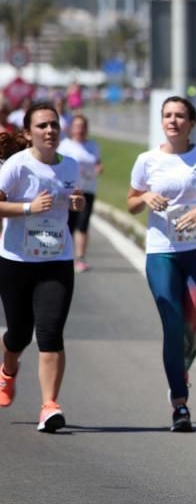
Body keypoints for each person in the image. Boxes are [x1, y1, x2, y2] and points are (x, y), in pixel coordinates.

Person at [127, 97, 196, 432]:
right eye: (167, 115)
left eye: (180, 115)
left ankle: (179, 368)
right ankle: (180, 403)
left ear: (192, 122)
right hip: (161, 251)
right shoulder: (147, 160)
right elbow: (131, 203)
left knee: (193, 325)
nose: (173, 121)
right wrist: (144, 198)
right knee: (172, 323)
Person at [0, 102, 86, 432]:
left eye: (53, 125)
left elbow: (73, 200)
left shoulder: (71, 166)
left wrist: (77, 203)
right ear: (28, 133)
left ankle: (50, 405)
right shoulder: (17, 166)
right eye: (41, 126)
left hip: (57, 260)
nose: (49, 130)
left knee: (49, 331)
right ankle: (7, 371)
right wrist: (28, 207)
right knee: (19, 332)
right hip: (16, 262)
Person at [58, 115, 103, 272]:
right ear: (71, 128)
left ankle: (80, 258)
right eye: (77, 126)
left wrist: (98, 168)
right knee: (68, 225)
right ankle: (64, 255)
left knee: (83, 225)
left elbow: (98, 162)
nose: (80, 129)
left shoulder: (93, 145)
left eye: (83, 126)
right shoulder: (64, 146)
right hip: (69, 191)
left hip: (88, 190)